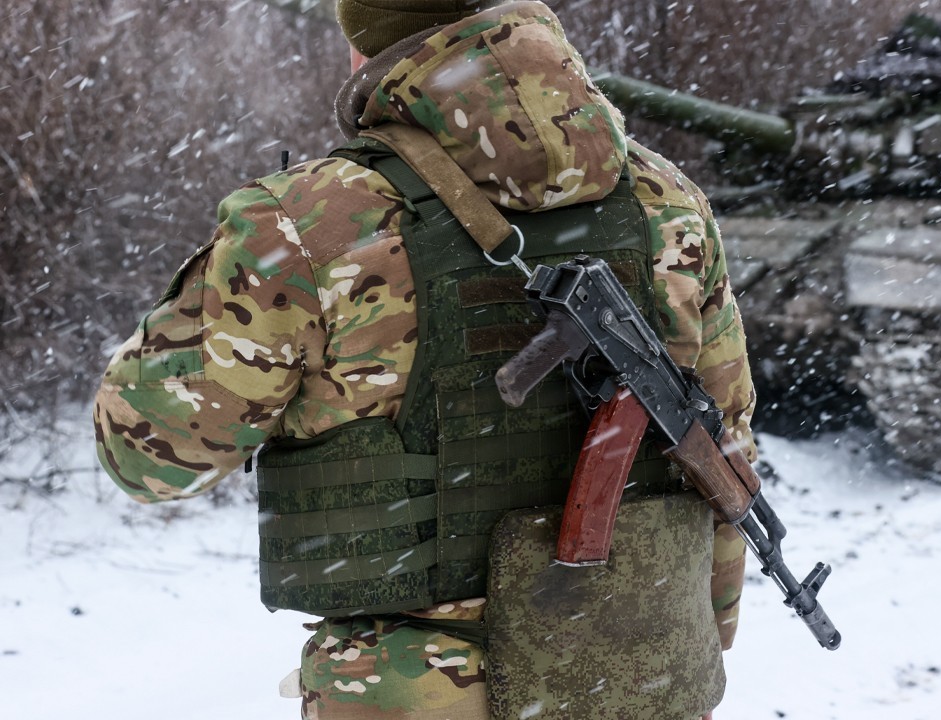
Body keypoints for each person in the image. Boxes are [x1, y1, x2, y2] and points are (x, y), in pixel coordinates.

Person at [94, 1, 756, 718]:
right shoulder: (668, 198)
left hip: (417, 694)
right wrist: (693, 637)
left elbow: (148, 457)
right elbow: (722, 443)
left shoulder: (306, 220)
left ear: (365, 46)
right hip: (637, 679)